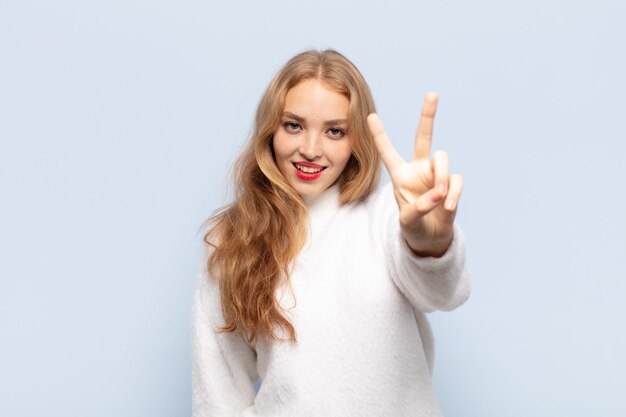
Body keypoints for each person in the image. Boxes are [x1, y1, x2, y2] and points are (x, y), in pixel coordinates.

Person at [192, 49, 470, 417]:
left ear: (357, 142)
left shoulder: (389, 213)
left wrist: (430, 244)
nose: (310, 149)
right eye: (293, 125)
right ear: (269, 130)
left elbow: (443, 294)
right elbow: (218, 393)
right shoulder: (229, 238)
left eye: (335, 131)